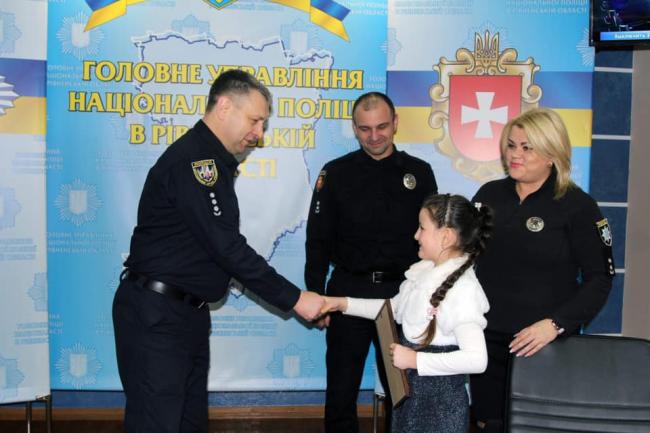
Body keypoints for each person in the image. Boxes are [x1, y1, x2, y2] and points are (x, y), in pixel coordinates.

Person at [112, 70, 324, 433]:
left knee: (189, 423)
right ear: (224, 107)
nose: (259, 133)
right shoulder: (196, 162)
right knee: (157, 424)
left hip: (185, 315)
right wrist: (295, 299)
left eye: (263, 123)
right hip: (158, 318)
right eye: (255, 120)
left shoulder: (213, 162)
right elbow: (226, 247)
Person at [469, 108, 615, 433]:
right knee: (489, 422)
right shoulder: (488, 195)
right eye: (511, 145)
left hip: (543, 343)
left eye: (527, 148)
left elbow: (600, 278)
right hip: (486, 338)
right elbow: (464, 258)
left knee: (536, 426)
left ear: (551, 154)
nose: (515, 155)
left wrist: (556, 325)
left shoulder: (578, 206)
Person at [305, 91, 437, 433]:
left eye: (381, 127)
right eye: (365, 129)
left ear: (395, 124)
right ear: (354, 128)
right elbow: (317, 238)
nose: (374, 136)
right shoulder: (335, 173)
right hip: (348, 291)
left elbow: (435, 240)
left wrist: (433, 294)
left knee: (401, 390)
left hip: (400, 294)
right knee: (341, 389)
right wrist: (316, 295)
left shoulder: (419, 173)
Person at [320, 193, 493, 433]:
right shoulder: (423, 272)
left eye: (422, 228)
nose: (416, 236)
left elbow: (476, 360)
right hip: (412, 399)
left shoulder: (463, 290)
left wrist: (415, 360)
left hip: (439, 410)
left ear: (446, 237)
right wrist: (341, 303)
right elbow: (391, 308)